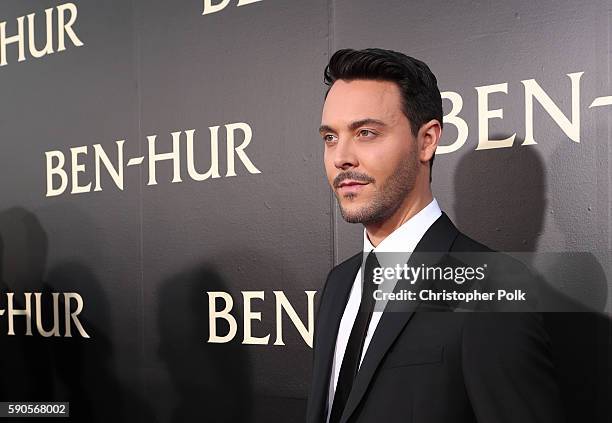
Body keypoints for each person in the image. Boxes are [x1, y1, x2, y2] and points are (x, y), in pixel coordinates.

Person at [306, 48, 563, 423]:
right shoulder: (339, 284)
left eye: (365, 132)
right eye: (330, 137)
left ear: (427, 140)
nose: (341, 157)